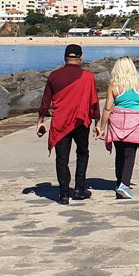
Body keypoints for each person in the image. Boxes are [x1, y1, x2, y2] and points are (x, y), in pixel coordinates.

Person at [37, 44, 100, 205]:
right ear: (81, 57)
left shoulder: (54, 76)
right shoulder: (88, 76)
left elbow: (46, 101)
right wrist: (97, 122)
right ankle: (79, 189)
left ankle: (64, 194)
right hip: (81, 120)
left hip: (60, 121)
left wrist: (40, 121)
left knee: (62, 158)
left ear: (64, 57)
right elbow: (94, 102)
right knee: (82, 153)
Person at [96, 57, 139, 199]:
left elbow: (108, 108)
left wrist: (102, 126)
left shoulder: (114, 85)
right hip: (135, 121)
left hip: (117, 121)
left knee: (119, 153)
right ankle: (124, 184)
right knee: (130, 154)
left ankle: (119, 182)